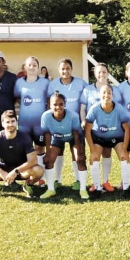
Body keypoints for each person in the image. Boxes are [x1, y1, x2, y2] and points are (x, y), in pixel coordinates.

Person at [0, 110, 44, 198]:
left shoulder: (24, 137)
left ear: (16, 122)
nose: (10, 124)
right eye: (7, 122)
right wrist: (0, 171)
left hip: (21, 170)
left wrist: (16, 171)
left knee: (38, 170)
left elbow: (33, 160)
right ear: (2, 124)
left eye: (13, 121)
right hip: (4, 168)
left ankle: (28, 185)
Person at [81, 63, 123, 191]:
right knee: (94, 153)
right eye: (99, 72)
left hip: (110, 129)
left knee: (107, 153)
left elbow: (117, 109)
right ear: (94, 74)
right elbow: (83, 108)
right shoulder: (87, 90)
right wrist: (83, 121)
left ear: (108, 73)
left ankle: (105, 181)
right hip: (94, 129)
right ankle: (96, 183)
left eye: (104, 72)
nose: (101, 74)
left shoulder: (114, 89)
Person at [84, 85, 130, 197]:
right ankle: (97, 187)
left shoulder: (119, 108)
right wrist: (92, 150)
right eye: (104, 93)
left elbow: (127, 129)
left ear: (112, 95)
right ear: (99, 95)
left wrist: (124, 149)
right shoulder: (94, 109)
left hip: (116, 138)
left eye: (109, 93)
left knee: (124, 158)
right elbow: (87, 131)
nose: (106, 95)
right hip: (99, 138)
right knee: (94, 158)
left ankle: (126, 188)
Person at [47, 58, 88, 190]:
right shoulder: (53, 85)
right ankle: (57, 180)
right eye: (62, 69)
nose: (65, 71)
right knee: (58, 152)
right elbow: (49, 104)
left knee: (76, 152)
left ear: (71, 69)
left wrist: (83, 120)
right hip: (57, 124)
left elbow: (84, 104)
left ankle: (77, 180)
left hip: (75, 126)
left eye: (68, 68)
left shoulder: (81, 83)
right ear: (59, 70)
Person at [40, 92, 87, 199]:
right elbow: (47, 135)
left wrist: (79, 152)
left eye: (61, 104)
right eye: (55, 104)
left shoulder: (73, 115)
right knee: (49, 159)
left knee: (80, 159)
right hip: (57, 138)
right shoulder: (45, 116)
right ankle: (50, 189)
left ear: (64, 104)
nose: (58, 107)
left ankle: (83, 189)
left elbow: (76, 134)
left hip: (73, 138)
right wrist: (47, 153)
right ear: (50, 105)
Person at [13, 56, 50, 173]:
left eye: (34, 65)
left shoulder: (45, 82)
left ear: (38, 68)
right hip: (24, 123)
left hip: (40, 123)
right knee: (25, 149)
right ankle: (27, 174)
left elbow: (50, 100)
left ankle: (41, 177)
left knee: (40, 148)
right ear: (25, 67)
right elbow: (17, 97)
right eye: (29, 65)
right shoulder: (19, 83)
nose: (32, 67)